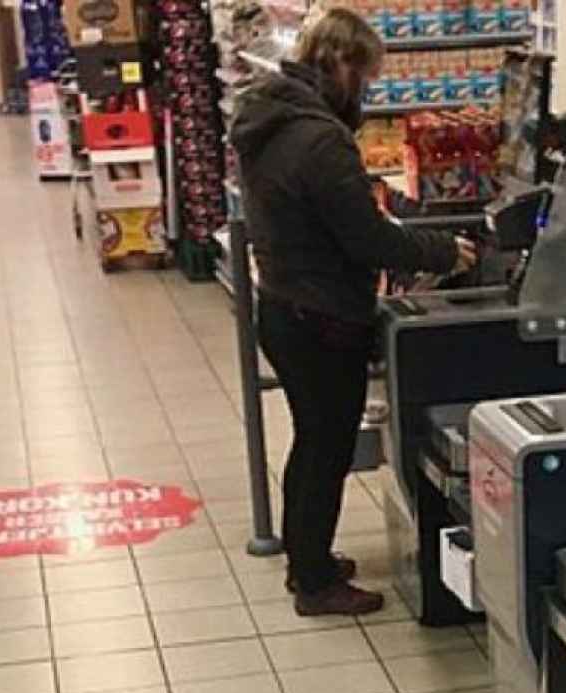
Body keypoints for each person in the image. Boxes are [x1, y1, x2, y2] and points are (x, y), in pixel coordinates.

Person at [231, 9, 477, 616]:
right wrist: (446, 250)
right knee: (326, 447)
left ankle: (307, 559)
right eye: (364, 78)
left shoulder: (272, 118)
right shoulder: (318, 138)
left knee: (312, 442)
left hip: (285, 304)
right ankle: (314, 582)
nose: (365, 91)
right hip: (319, 315)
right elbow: (367, 238)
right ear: (339, 64)